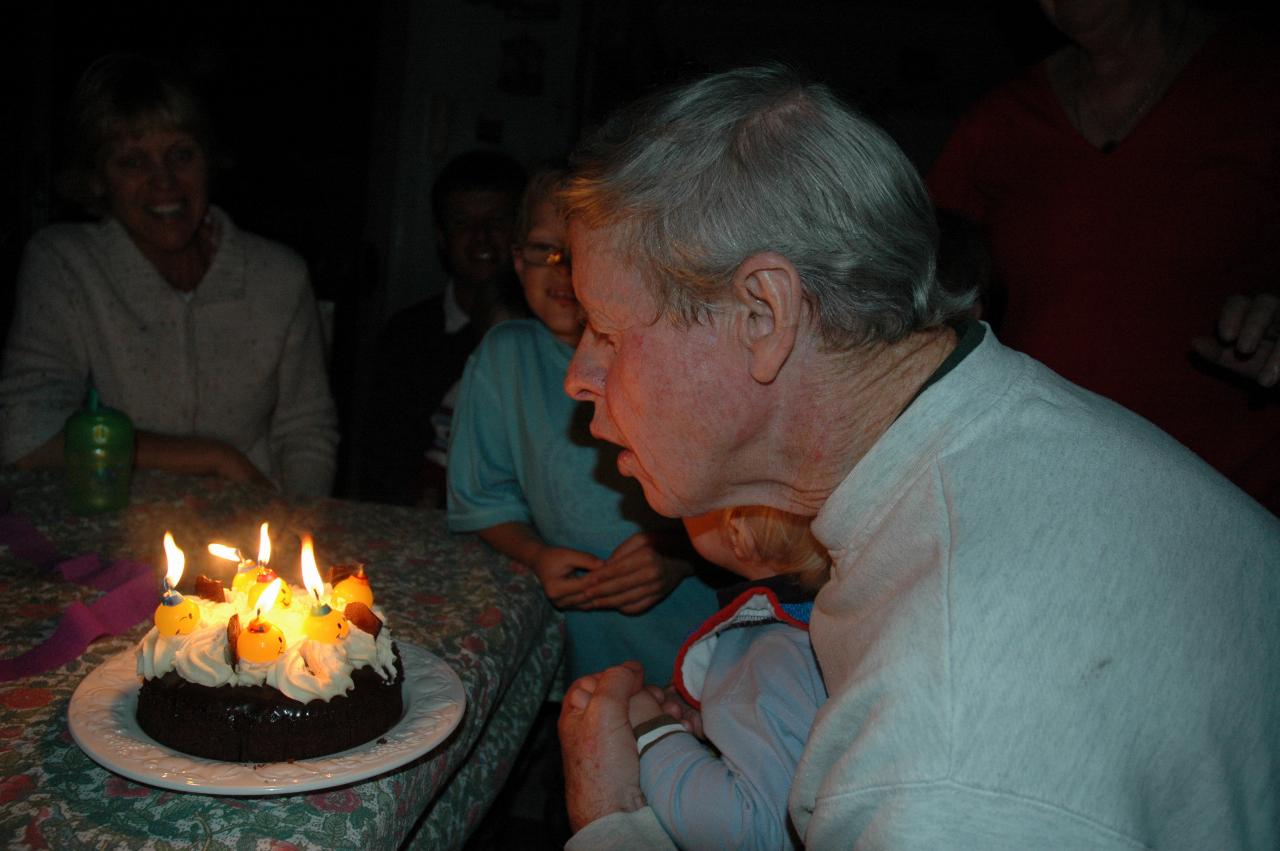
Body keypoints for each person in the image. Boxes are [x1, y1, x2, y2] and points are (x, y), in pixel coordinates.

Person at [554, 64, 1280, 850]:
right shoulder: (1011, 433)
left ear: (763, 313)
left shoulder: (944, 725)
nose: (578, 377)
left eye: (608, 330)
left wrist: (609, 820)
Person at [927, 0, 1280, 513]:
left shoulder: (1257, 84)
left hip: (1232, 499)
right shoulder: (1000, 121)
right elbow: (908, 275)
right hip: (1051, 488)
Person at [0, 54, 338, 497]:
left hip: (246, 540)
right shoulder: (65, 264)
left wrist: (295, 521)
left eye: (181, 155)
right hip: (112, 533)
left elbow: (306, 431)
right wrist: (215, 458)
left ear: (209, 159)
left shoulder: (280, 276)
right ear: (98, 177)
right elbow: (25, 436)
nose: (165, 183)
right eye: (132, 162)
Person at [446, 167, 720, 682]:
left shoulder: (683, 358)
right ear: (515, 259)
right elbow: (483, 500)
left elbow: (755, 512)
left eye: (579, 256)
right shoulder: (506, 359)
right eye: (544, 251)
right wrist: (536, 555)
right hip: (583, 658)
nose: (562, 271)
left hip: (703, 642)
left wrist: (682, 556)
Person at [624, 506, 829, 851]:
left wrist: (652, 730)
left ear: (739, 533)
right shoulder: (824, 614)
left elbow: (754, 830)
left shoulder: (769, 654)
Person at [357, 149, 528, 507]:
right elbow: (381, 463)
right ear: (441, 236)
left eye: (497, 221)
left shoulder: (547, 333)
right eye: (463, 223)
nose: (481, 237)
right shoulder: (407, 335)